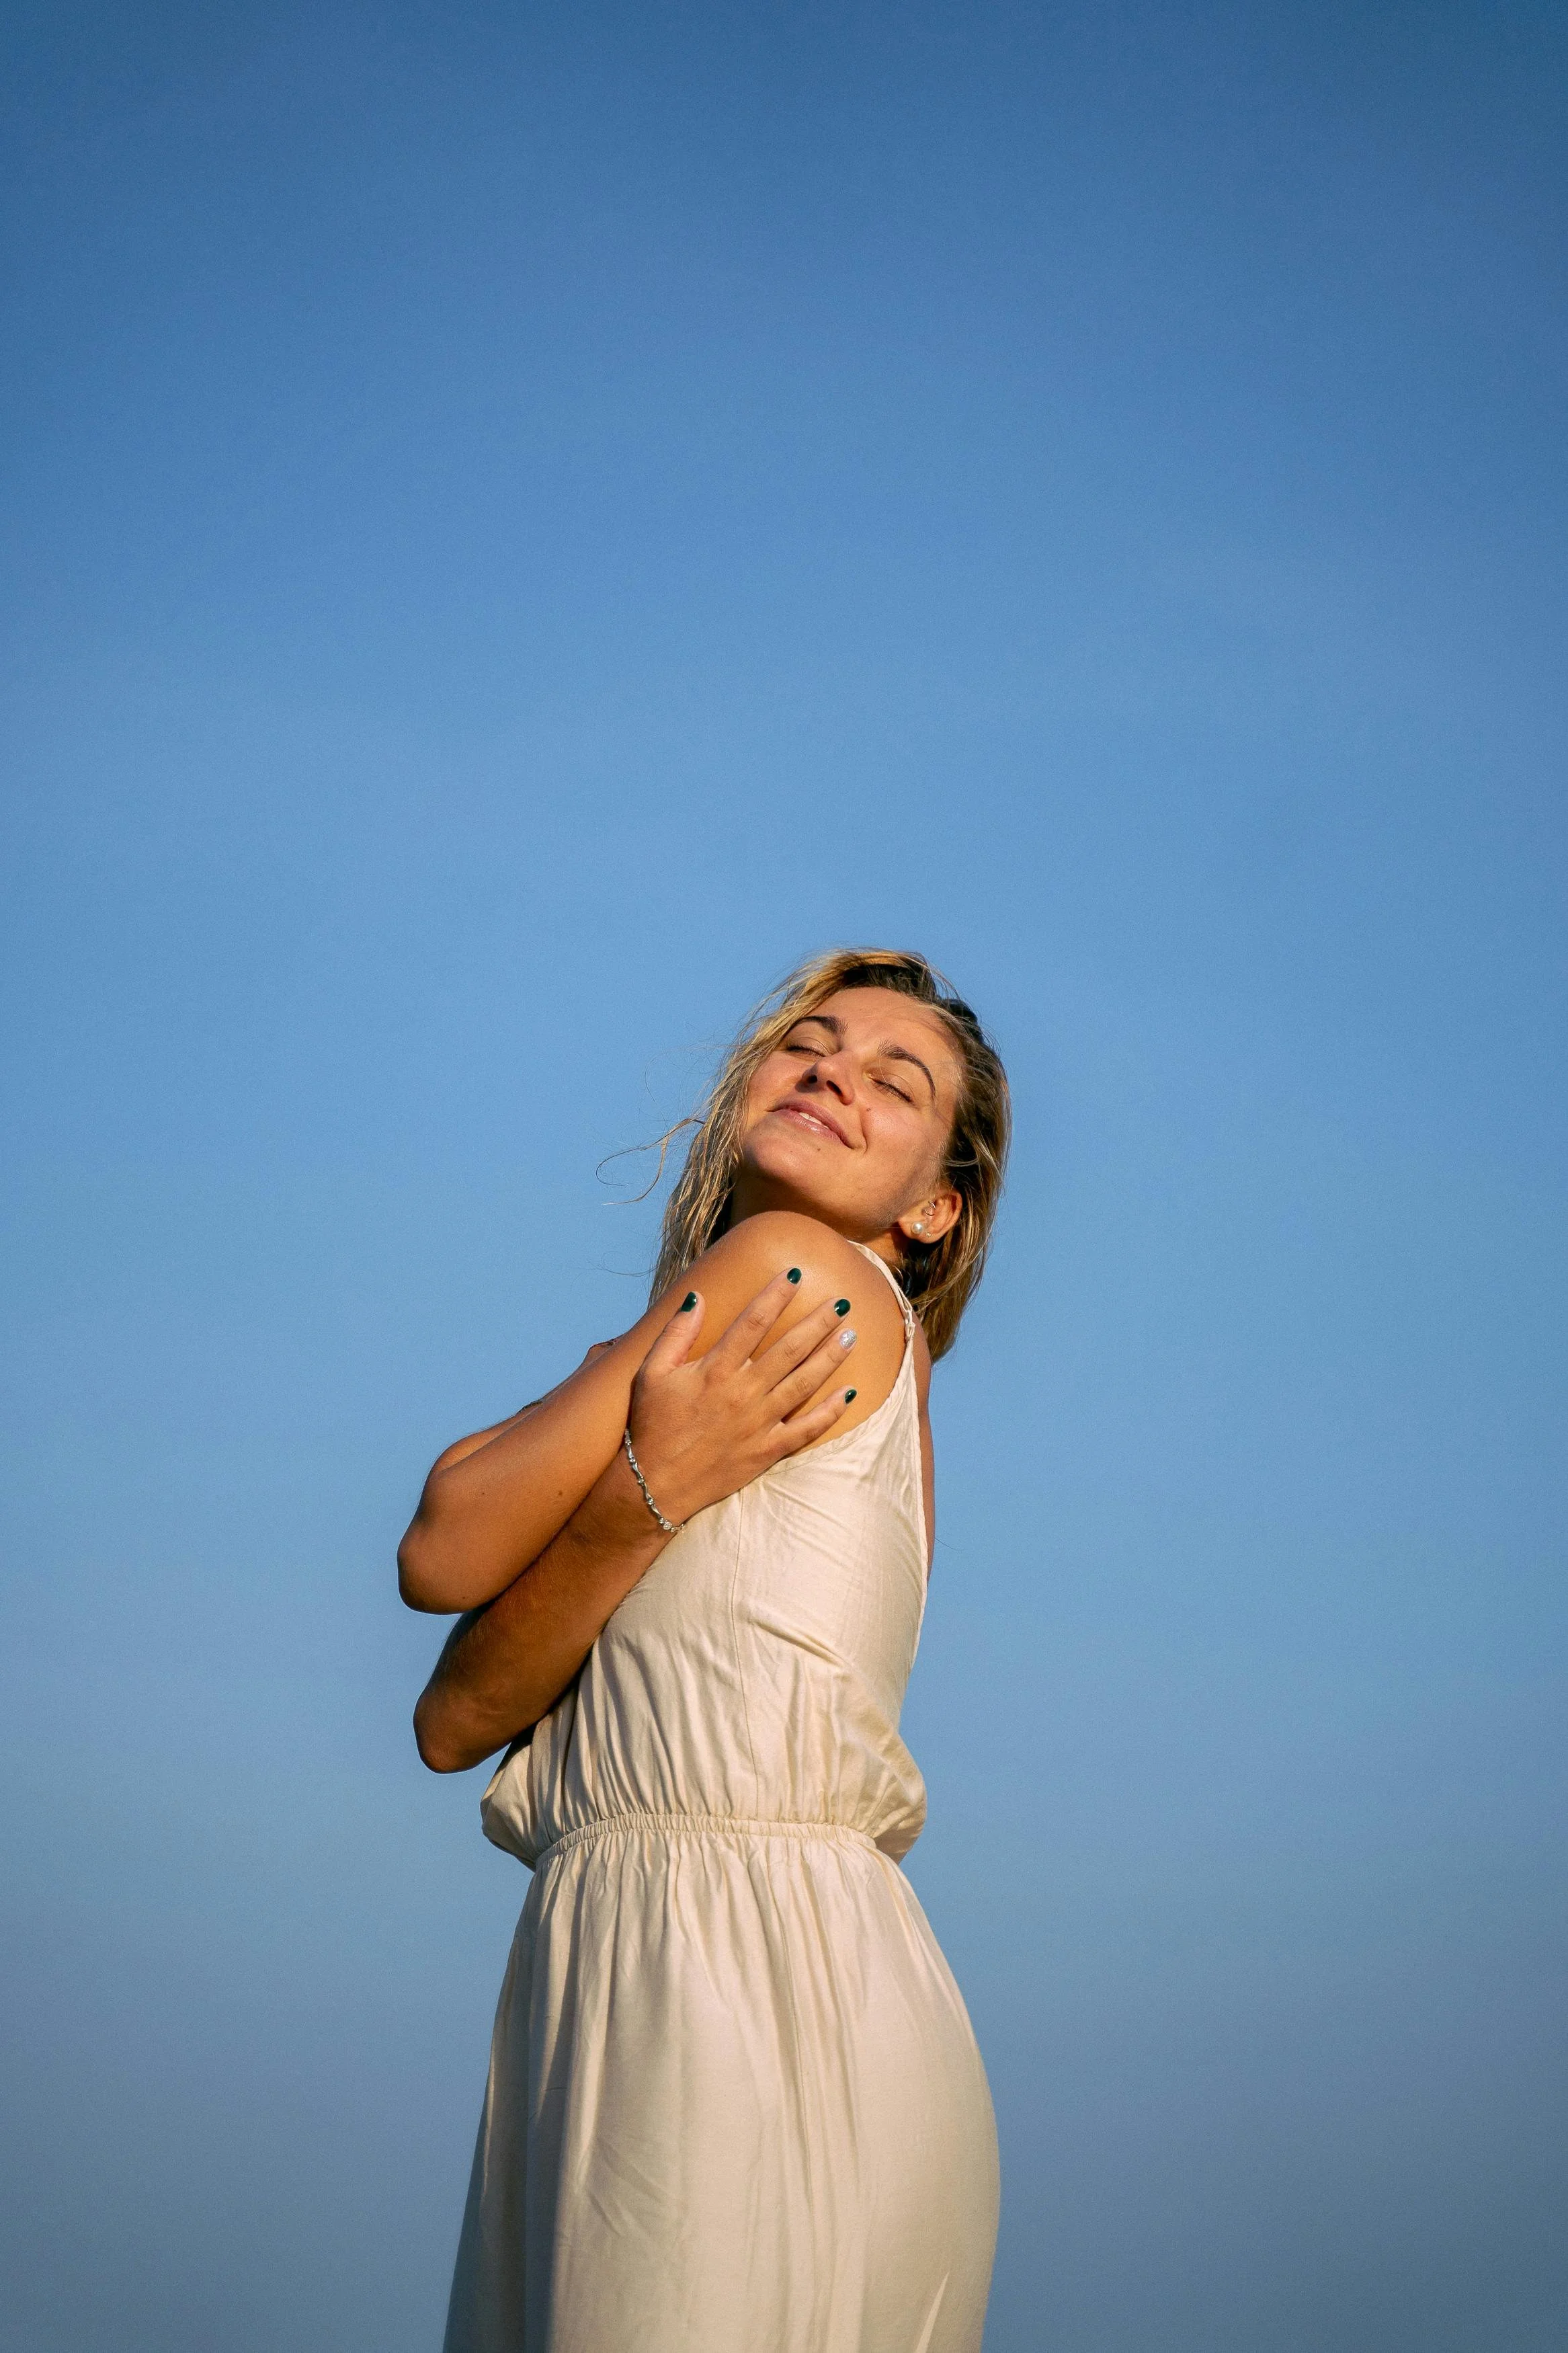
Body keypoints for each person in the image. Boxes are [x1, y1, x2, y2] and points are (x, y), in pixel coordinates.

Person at [401, 947, 1009, 2353]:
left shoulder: (786, 1268)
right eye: (807, 1043)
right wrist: (641, 1489)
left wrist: (639, 1463)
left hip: (715, 1972)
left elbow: (439, 1542)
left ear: (936, 1202)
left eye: (890, 1079)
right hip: (755, 1954)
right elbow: (456, 1718)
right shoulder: (800, 1357)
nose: (830, 1075)